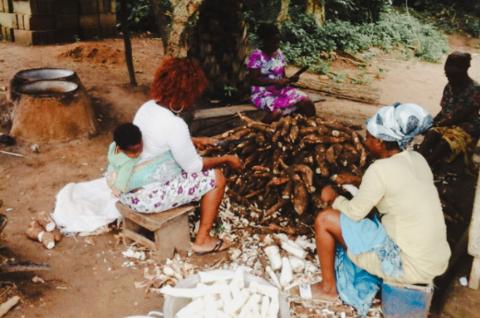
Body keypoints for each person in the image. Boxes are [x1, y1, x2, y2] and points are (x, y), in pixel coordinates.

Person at [307, 103, 451, 314]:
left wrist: (333, 198)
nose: (366, 142)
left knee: (324, 220)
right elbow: (396, 186)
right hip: (435, 261)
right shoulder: (418, 159)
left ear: (381, 142)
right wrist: (357, 180)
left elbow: (355, 213)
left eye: (369, 137)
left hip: (408, 266)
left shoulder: (379, 170)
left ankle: (328, 288)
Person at [122, 57, 242, 255]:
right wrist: (227, 159)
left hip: (128, 190)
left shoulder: (148, 107)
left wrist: (193, 140)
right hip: (147, 199)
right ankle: (203, 240)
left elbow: (157, 140)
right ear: (186, 93)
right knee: (217, 178)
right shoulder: (176, 125)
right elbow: (193, 167)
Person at [418, 52, 480, 167]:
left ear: (464, 71)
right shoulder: (449, 86)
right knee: (431, 136)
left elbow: (463, 115)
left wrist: (440, 123)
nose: (449, 78)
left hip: (467, 128)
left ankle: (428, 164)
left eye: (453, 76)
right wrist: (431, 123)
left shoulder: (475, 90)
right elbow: (444, 109)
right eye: (447, 75)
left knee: (445, 142)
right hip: (448, 124)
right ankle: (418, 159)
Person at [246, 23, 316, 122]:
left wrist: (290, 79)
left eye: (278, 42)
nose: (276, 45)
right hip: (262, 93)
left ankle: (311, 127)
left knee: (306, 101)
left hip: (280, 90)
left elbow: (282, 76)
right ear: (264, 41)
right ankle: (259, 129)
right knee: (277, 113)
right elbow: (254, 80)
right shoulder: (256, 55)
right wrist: (275, 82)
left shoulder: (279, 54)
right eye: (273, 42)